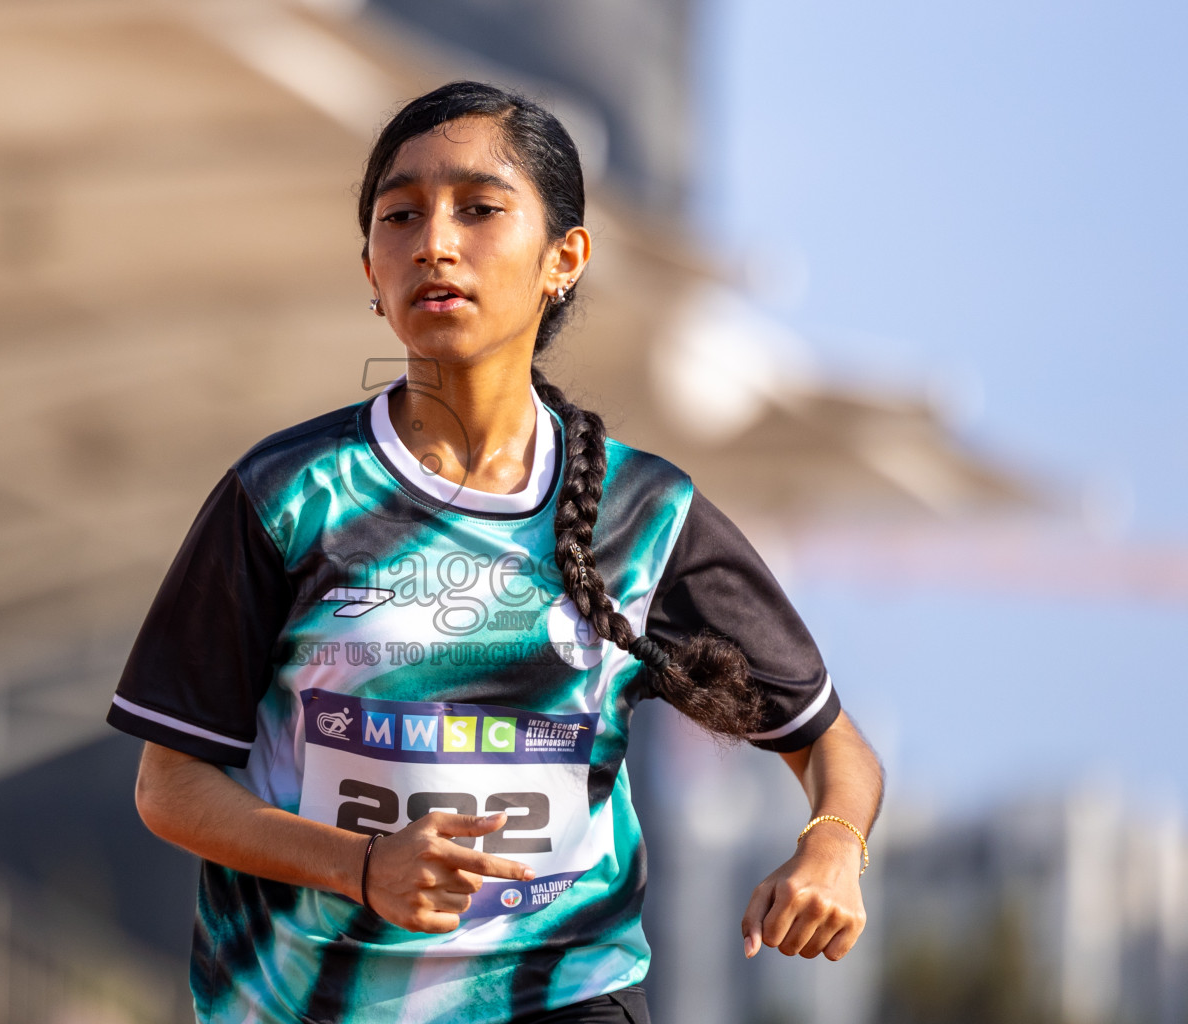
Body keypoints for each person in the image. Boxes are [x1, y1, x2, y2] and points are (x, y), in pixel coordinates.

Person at [105, 81, 883, 1024]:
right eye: (401, 216)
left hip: (569, 998)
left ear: (566, 258)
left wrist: (832, 845)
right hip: (305, 1004)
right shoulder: (285, 495)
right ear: (368, 268)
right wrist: (361, 868)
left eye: (479, 209)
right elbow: (170, 786)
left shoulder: (647, 514)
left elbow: (829, 743)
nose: (435, 242)